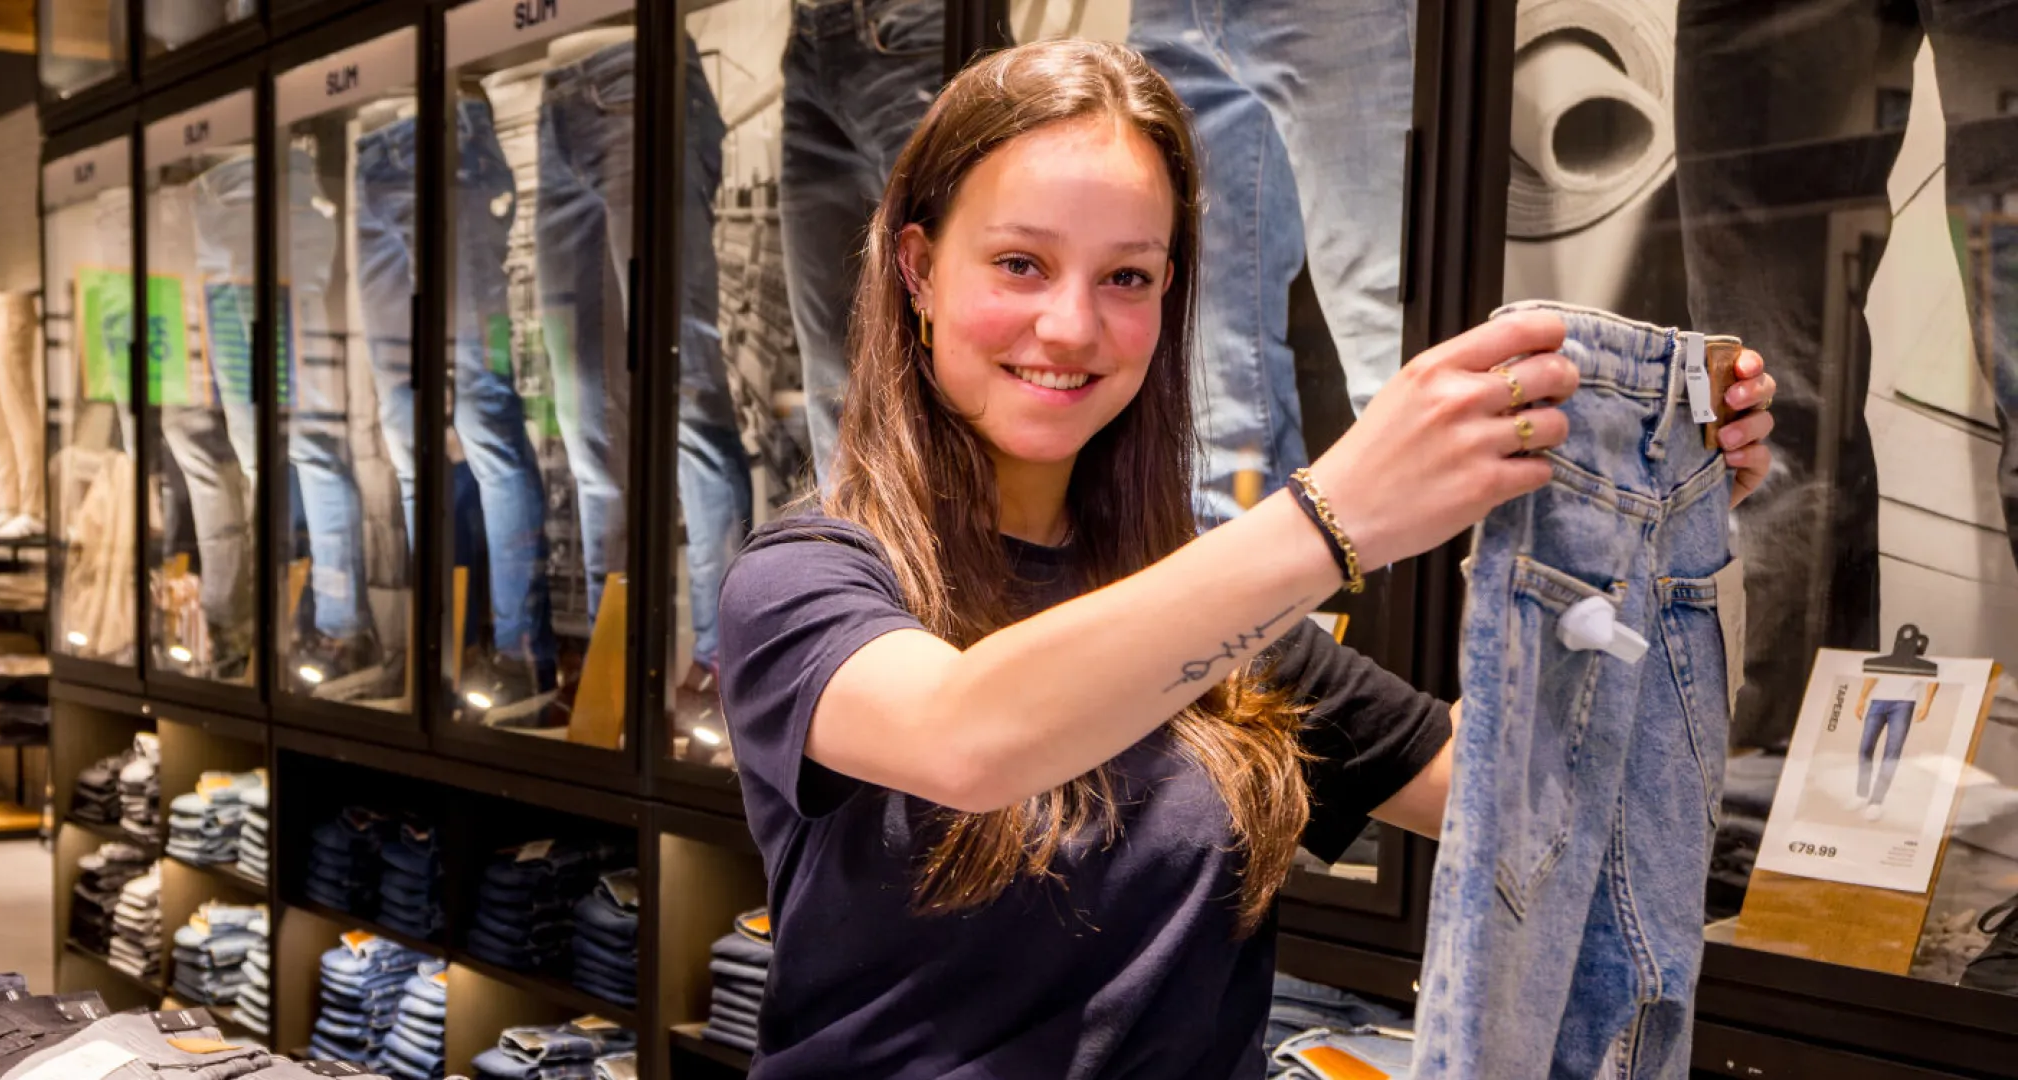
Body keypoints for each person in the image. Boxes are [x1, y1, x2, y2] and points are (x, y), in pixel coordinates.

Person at [714, 38, 1779, 1078]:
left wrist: (1647, 546)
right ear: (917, 269)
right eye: (1019, 264)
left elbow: (1510, 792)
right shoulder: (806, 581)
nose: (1073, 324)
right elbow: (965, 739)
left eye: (1127, 277)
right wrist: (1329, 517)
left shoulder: (1221, 629)